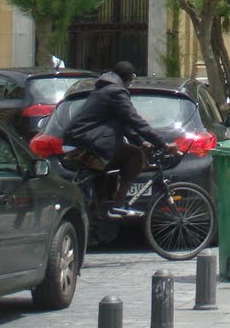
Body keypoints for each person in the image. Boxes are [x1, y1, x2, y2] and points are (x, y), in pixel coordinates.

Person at [62, 61, 171, 220]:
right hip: (85, 144)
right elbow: (134, 120)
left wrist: (141, 141)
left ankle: (99, 211)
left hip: (81, 141)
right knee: (134, 156)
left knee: (116, 158)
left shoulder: (104, 89)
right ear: (130, 79)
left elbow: (122, 123)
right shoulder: (116, 92)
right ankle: (117, 207)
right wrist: (163, 144)